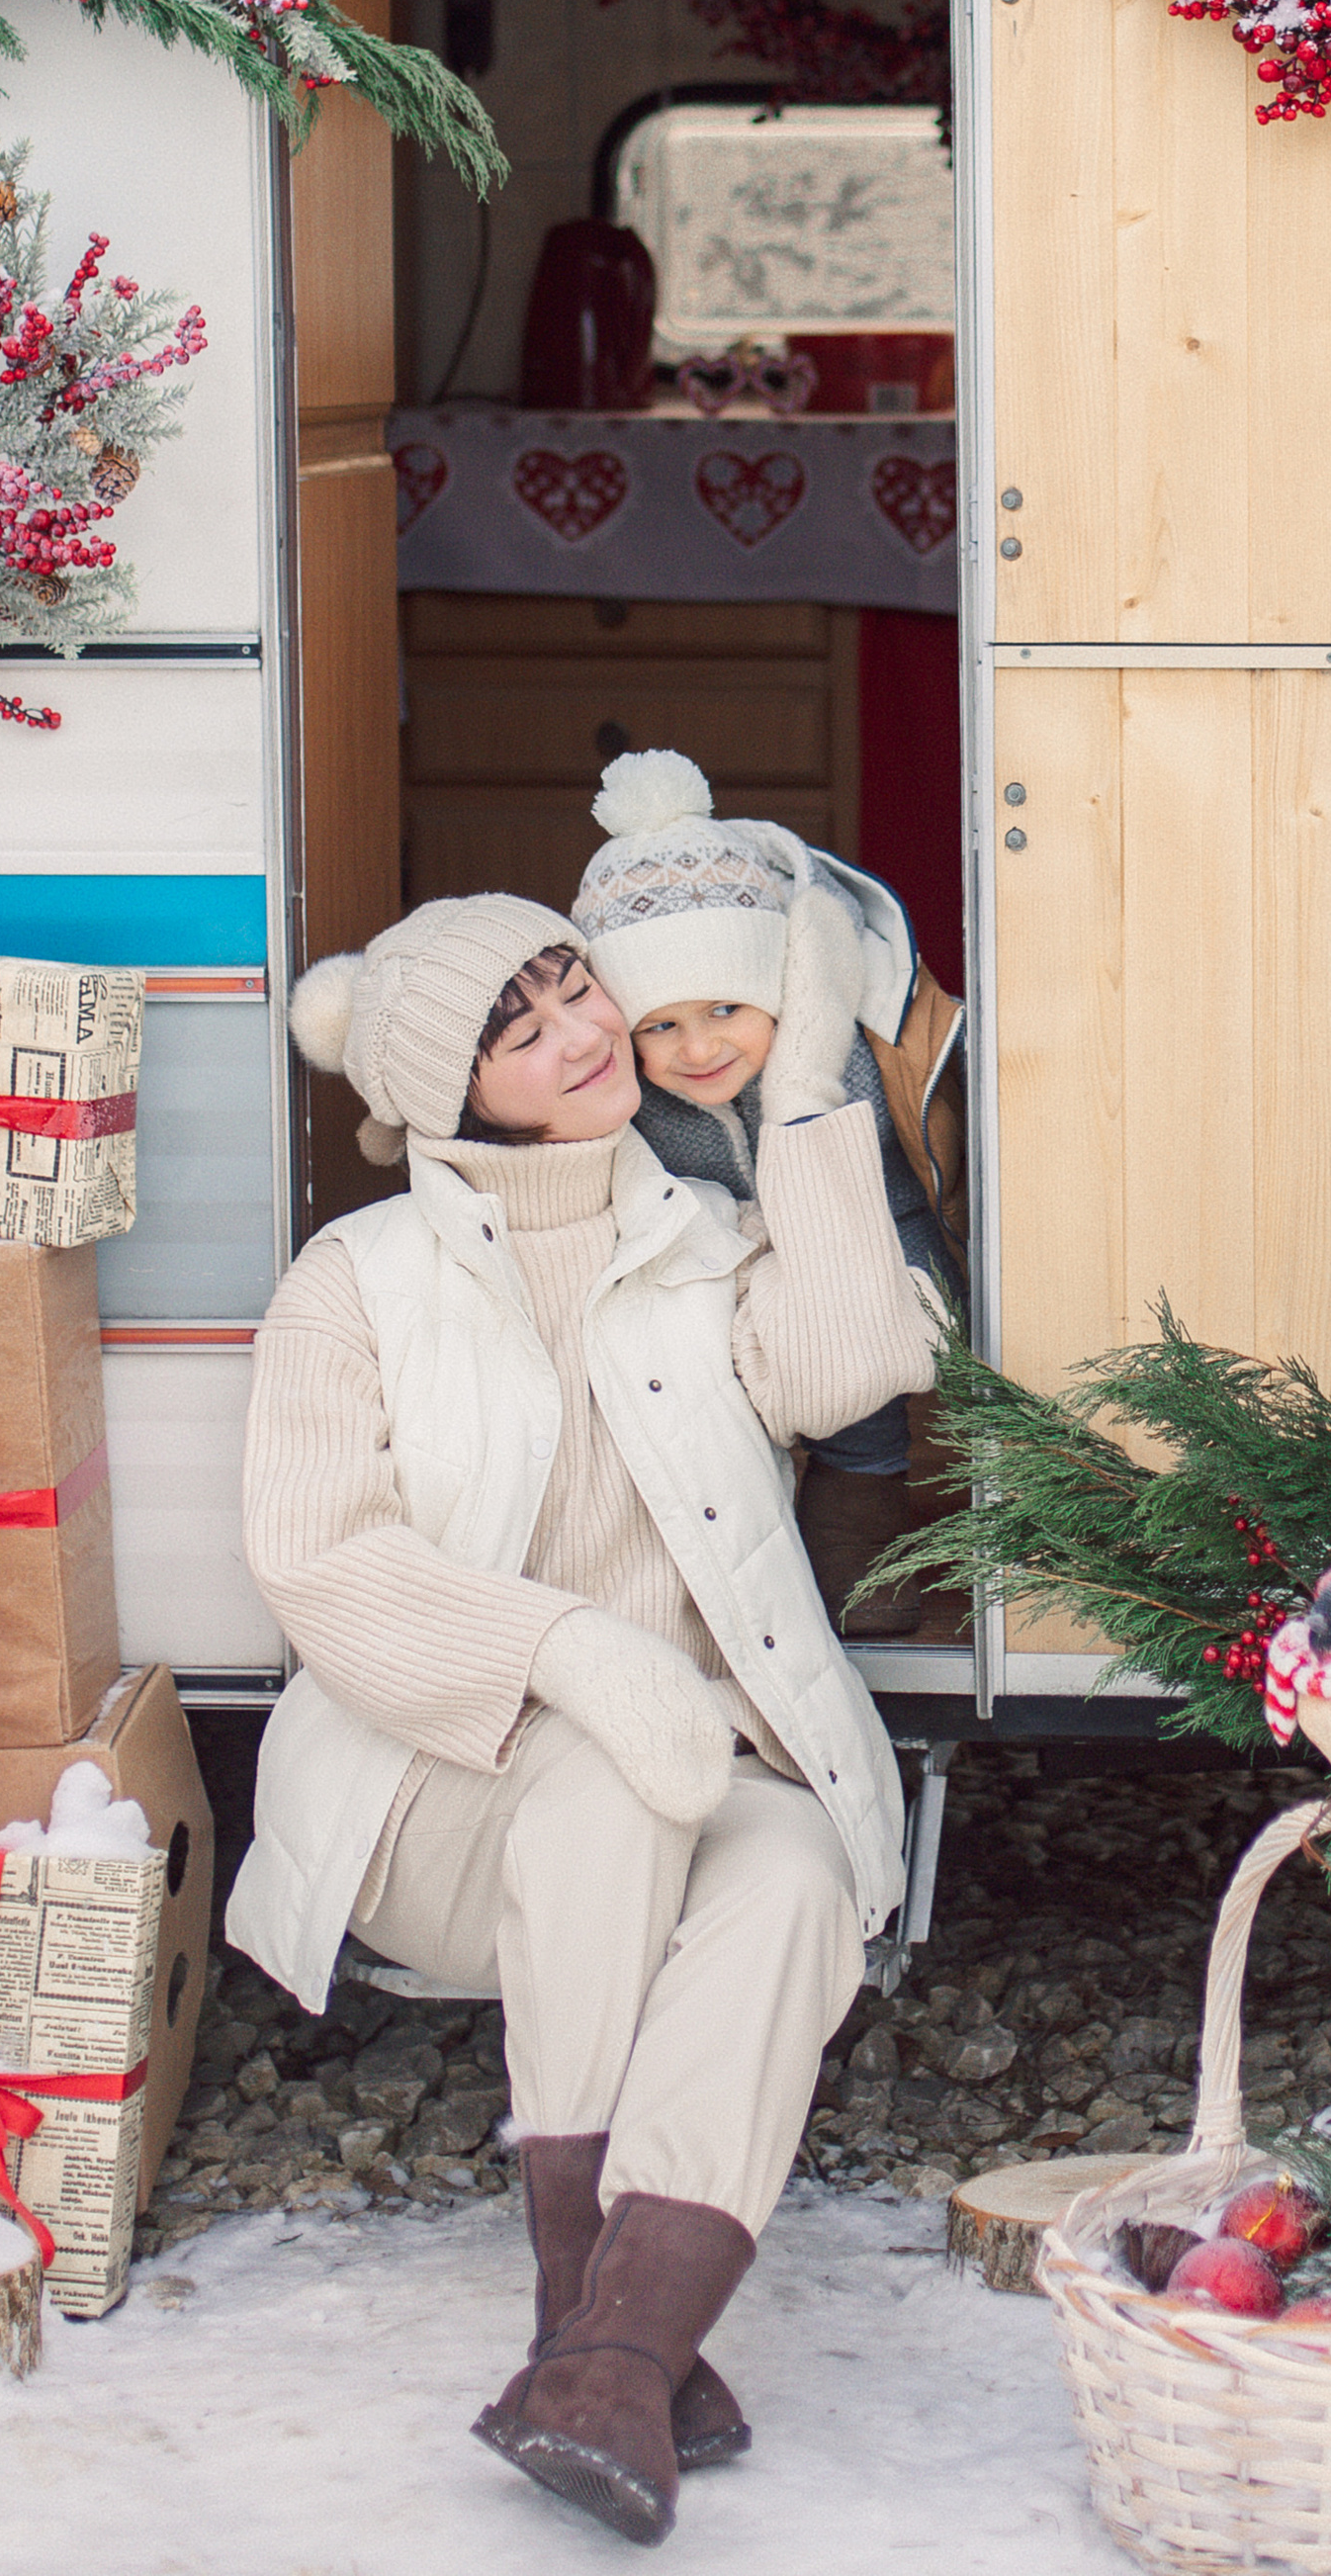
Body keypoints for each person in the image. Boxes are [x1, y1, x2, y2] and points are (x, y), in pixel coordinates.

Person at [225, 891, 941, 2548]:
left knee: (791, 1880)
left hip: (699, 1768)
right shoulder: (361, 1279)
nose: (581, 1031)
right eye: (522, 1025)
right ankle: (586, 2320)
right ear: (450, 1091)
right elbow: (314, 1558)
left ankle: (613, 2357)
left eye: (575, 989)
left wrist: (811, 1093)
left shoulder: (701, 1229)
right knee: (616, 1783)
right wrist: (573, 1654)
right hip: (435, 1794)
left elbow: (844, 1376)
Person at [570, 750, 965, 1640]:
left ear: (774, 991)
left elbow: (909, 1184)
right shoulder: (639, 1107)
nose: (699, 1050)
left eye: (725, 1011)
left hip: (877, 1244)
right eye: (660, 1026)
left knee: (842, 1333)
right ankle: (748, 1542)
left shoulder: (845, 1057)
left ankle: (863, 1512)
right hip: (731, 1259)